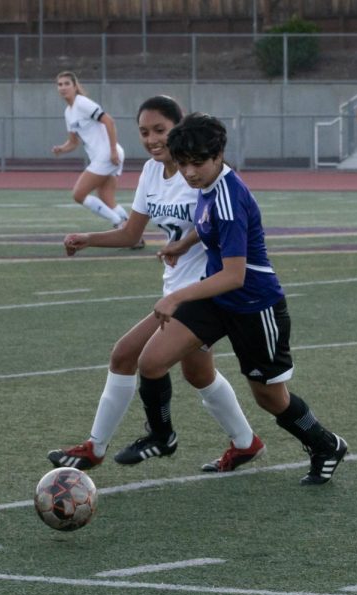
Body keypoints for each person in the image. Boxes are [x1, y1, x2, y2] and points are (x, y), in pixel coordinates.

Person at [120, 112, 348, 485]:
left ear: (218, 155)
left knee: (270, 398)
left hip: (255, 307)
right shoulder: (208, 185)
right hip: (218, 299)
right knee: (152, 360)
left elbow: (234, 274)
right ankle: (162, 437)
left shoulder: (228, 195)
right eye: (184, 164)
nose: (190, 172)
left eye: (197, 163)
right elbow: (207, 222)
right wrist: (186, 241)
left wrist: (176, 297)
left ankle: (325, 444)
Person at [47, 96, 265, 473]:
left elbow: (226, 218)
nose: (151, 139)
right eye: (144, 132)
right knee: (197, 373)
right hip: (175, 288)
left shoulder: (200, 171)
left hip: (203, 290)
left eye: (160, 130)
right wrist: (88, 238)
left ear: (179, 130)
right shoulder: (151, 171)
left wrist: (189, 240)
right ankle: (246, 443)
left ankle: (102, 447)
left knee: (127, 355)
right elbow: (132, 232)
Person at [51, 71, 132, 231]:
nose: (63, 87)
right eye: (60, 84)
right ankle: (132, 233)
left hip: (107, 155)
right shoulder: (69, 112)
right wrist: (61, 148)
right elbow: (73, 142)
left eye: (67, 83)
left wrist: (113, 150)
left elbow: (109, 121)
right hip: (105, 156)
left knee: (78, 194)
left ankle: (120, 225)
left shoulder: (82, 103)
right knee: (106, 198)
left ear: (75, 86)